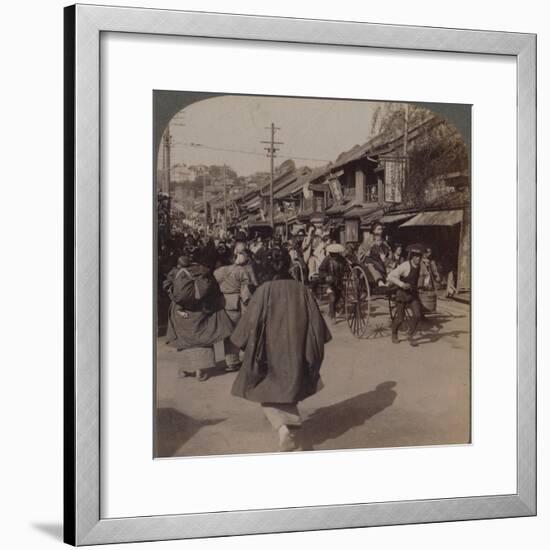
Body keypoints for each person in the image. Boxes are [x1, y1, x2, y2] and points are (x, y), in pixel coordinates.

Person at [230, 247, 332, 452]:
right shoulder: (301, 289)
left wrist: (239, 343)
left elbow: (250, 324)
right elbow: (318, 326)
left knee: (264, 389)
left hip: (269, 353)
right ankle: (289, 427)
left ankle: (283, 428)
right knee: (289, 389)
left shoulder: (264, 290)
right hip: (297, 349)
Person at [165, 248, 234, 381]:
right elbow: (213, 289)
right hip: (200, 311)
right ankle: (199, 371)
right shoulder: (202, 271)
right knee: (203, 337)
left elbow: (167, 287)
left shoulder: (174, 273)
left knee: (183, 339)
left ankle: (183, 368)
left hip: (181, 312)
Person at [214, 251, 253, 371]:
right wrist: (248, 304)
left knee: (228, 333)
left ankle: (231, 361)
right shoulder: (240, 270)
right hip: (236, 303)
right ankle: (242, 358)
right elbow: (245, 291)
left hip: (222, 303)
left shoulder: (217, 272)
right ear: (232, 258)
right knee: (240, 330)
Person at [387, 247, 423, 345]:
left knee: (417, 315)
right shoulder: (405, 265)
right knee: (400, 319)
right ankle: (394, 333)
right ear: (412, 257)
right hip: (402, 294)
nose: (418, 259)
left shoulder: (419, 266)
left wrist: (425, 282)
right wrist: (402, 284)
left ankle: (410, 335)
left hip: (413, 294)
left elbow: (425, 275)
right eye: (416, 257)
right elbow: (390, 276)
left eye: (420, 257)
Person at [318, 243, 347, 324]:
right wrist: (326, 276)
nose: (334, 255)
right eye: (332, 254)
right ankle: (332, 316)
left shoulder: (342, 259)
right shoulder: (327, 259)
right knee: (332, 298)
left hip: (338, 282)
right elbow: (321, 270)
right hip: (329, 282)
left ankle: (332, 309)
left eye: (336, 254)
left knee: (337, 298)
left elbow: (346, 267)